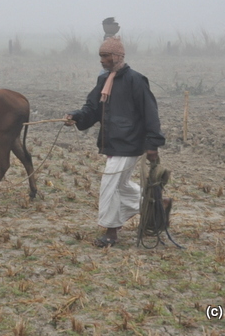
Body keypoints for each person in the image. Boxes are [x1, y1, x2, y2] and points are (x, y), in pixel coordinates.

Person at [63, 36, 167, 248]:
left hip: (129, 143)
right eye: (100, 56)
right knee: (122, 185)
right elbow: (92, 109)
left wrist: (152, 144)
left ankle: (111, 232)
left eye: (105, 56)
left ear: (118, 56)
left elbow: (150, 114)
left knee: (110, 186)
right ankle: (158, 205)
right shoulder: (104, 81)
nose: (101, 60)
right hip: (112, 141)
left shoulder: (136, 81)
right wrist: (76, 116)